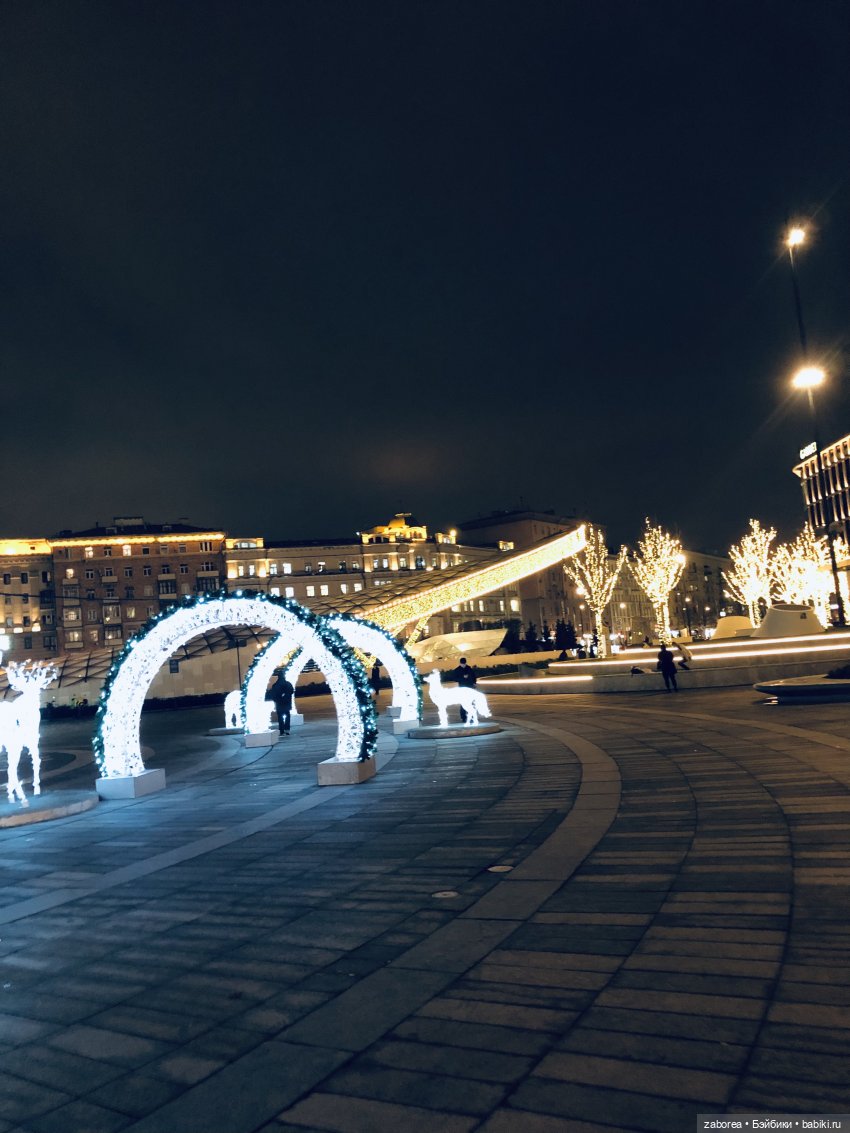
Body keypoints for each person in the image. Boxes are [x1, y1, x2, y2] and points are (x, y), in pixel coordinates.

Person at [451, 656, 478, 723]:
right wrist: (462, 677)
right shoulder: (457, 670)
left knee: (471, 703)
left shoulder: (469, 668)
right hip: (462, 688)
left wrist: (474, 683)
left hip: (470, 687)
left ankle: (471, 717)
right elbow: (454, 678)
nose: (463, 665)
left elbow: (473, 676)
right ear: (460, 663)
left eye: (464, 664)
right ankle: (463, 717)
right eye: (462, 664)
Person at [268, 669, 295, 735]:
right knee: (287, 716)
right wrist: (286, 696)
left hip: (279, 704)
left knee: (280, 717)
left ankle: (281, 730)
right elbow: (292, 691)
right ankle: (287, 729)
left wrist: (277, 700)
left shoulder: (275, 685)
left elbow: (273, 695)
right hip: (287, 703)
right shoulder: (288, 684)